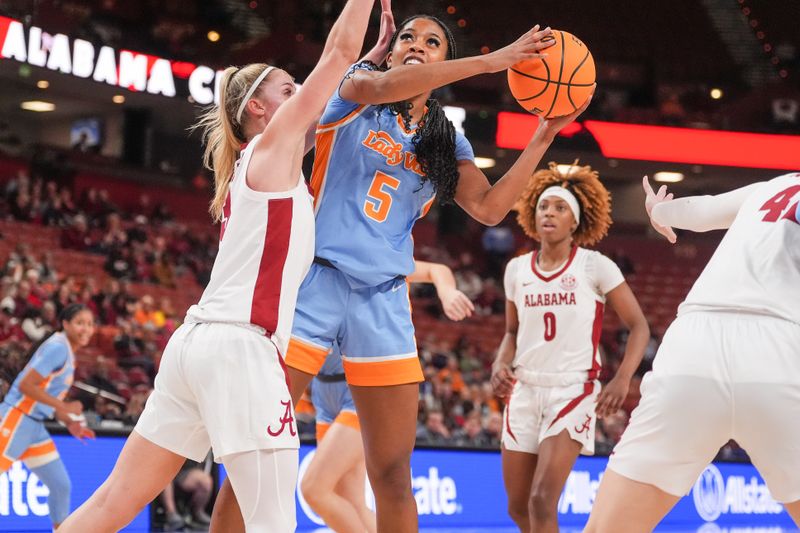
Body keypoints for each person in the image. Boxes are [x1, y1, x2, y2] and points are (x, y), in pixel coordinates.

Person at [58, 1, 378, 531]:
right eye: (288, 90)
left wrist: (373, 60)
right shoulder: (270, 150)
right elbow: (337, 55)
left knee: (113, 501)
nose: (302, 95)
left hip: (195, 346)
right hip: (240, 350)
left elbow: (342, 84)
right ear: (258, 109)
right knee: (274, 523)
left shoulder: (269, 164)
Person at [585, 174, 800, 532]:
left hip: (694, 343)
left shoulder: (777, 185)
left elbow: (700, 210)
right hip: (780, 347)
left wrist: (660, 210)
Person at [490, 163, 649, 533]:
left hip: (573, 391)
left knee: (542, 500)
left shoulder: (595, 266)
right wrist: (500, 363)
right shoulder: (516, 270)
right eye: (544, 206)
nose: (549, 212)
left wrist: (623, 379)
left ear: (575, 221)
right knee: (518, 509)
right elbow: (512, 332)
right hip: (524, 389)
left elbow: (639, 326)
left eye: (560, 208)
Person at [300, 259, 473, 533]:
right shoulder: (324, 252)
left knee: (313, 489)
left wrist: (447, 291)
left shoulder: (380, 257)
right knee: (351, 501)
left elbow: (438, 269)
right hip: (323, 390)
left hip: (356, 387)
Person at [0, 304, 96, 529]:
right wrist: (65, 406)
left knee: (60, 485)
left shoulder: (65, 350)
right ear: (66, 324)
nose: (86, 329)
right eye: (80, 323)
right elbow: (26, 385)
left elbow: (44, 394)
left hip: (34, 427)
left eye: (90, 324)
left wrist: (69, 421)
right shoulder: (58, 348)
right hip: (17, 418)